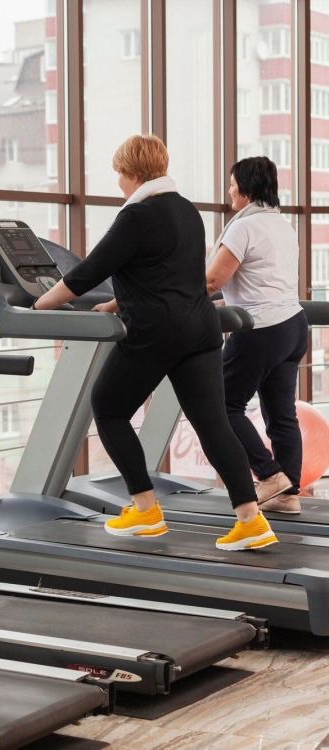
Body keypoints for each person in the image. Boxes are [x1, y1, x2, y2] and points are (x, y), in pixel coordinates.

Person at [34, 134, 278, 550]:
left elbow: (88, 271)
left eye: (118, 175)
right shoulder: (186, 210)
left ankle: (145, 509)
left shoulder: (137, 215)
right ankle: (251, 520)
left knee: (108, 408)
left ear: (131, 173)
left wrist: (40, 302)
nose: (118, 184)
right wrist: (114, 305)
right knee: (213, 423)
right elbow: (168, 272)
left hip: (155, 333)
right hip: (200, 330)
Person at [207, 157, 308, 514]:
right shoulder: (281, 223)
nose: (229, 189)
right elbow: (252, 281)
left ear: (246, 188)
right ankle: (288, 494)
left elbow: (212, 281)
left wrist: (170, 298)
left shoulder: (242, 227)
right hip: (294, 326)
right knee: (282, 415)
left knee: (219, 405)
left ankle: (269, 476)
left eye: (232, 183)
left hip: (261, 330)